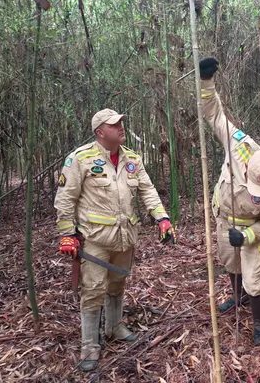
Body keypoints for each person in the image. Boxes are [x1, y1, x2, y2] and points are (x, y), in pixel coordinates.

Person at [54, 108, 176, 372]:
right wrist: (67, 234)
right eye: (114, 124)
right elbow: (65, 198)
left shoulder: (132, 158)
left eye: (122, 121)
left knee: (118, 282)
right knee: (93, 288)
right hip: (95, 238)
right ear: (100, 132)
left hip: (125, 236)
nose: (121, 127)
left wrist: (162, 218)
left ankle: (114, 327)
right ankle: (90, 346)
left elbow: (147, 190)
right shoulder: (80, 159)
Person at [198, 57, 260, 345]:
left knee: (254, 280)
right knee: (229, 263)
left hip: (251, 230)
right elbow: (214, 114)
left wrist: (248, 235)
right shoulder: (240, 147)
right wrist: (205, 82)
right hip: (225, 219)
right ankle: (238, 298)